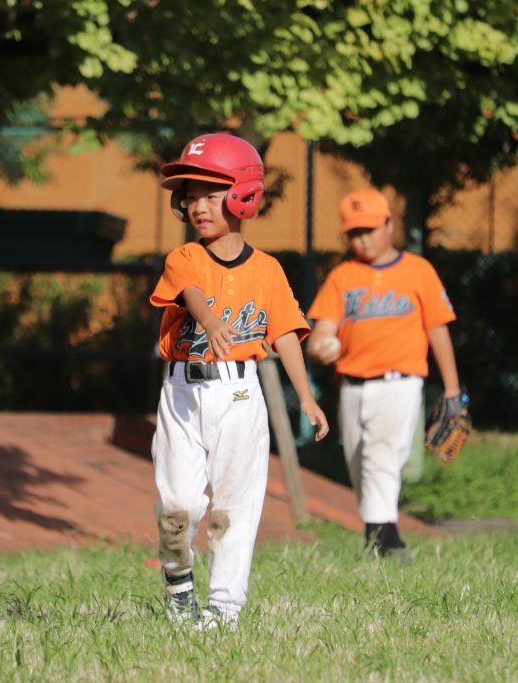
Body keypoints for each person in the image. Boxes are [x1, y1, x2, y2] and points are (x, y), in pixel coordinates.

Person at [149, 132, 329, 629]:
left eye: (211, 194)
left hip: (241, 394)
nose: (197, 206)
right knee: (178, 505)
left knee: (234, 506)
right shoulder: (184, 258)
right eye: (191, 196)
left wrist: (307, 398)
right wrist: (209, 321)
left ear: (243, 196)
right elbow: (191, 292)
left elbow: (285, 334)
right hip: (183, 394)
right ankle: (178, 580)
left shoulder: (267, 270)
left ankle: (223, 610)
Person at [306, 187, 465, 559]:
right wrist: (320, 346)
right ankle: (384, 537)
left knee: (379, 455)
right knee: (360, 466)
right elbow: (320, 334)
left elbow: (438, 330)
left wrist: (452, 389)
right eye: (355, 232)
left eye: (370, 229)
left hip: (399, 382)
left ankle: (384, 541)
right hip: (352, 386)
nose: (363, 238)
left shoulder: (418, 271)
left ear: (390, 224)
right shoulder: (343, 277)